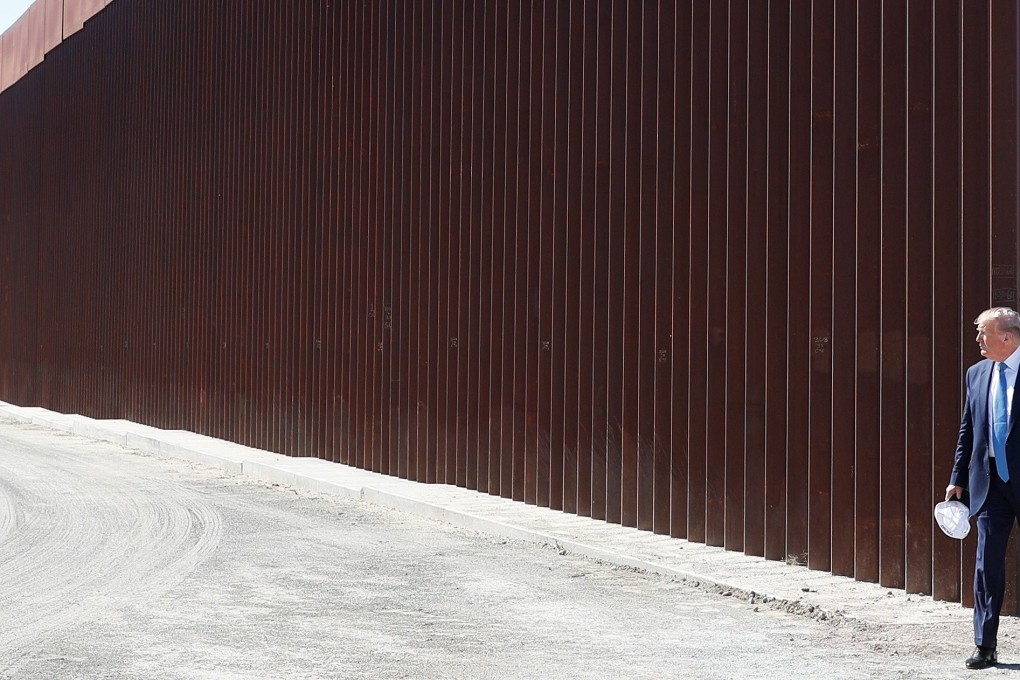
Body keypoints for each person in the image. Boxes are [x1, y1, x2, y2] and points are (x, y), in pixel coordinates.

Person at [947, 306, 1020, 670]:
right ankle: (985, 645)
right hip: (990, 482)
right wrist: (957, 478)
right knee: (986, 564)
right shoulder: (976, 374)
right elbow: (968, 431)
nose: (977, 340)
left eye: (983, 333)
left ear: (1006, 337)